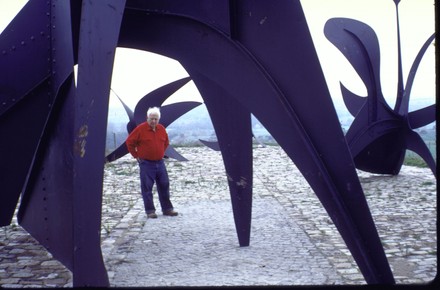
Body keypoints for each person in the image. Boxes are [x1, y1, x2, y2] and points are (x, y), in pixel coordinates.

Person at [125, 107, 178, 218]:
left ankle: (167, 209)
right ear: (147, 118)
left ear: (158, 119)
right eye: (151, 118)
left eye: (156, 119)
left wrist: (160, 152)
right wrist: (136, 156)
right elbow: (129, 142)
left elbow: (166, 142)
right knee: (147, 188)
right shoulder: (140, 129)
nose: (153, 121)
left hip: (160, 162)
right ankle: (150, 211)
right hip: (146, 163)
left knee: (164, 185)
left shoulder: (161, 129)